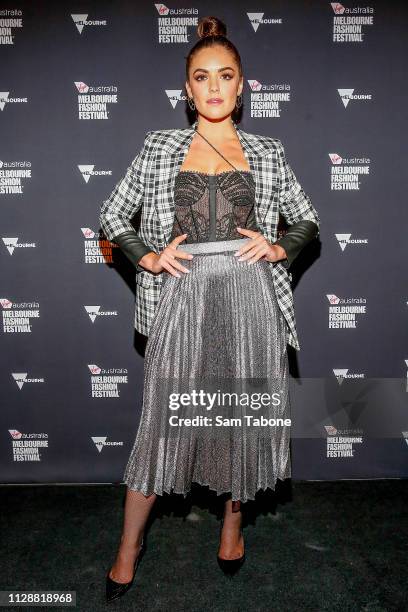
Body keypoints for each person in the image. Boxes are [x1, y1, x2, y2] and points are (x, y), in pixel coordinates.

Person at [100, 15, 320, 602]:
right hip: (184, 298)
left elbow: (306, 219)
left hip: (252, 299)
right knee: (162, 426)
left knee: (241, 421)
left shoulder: (267, 151)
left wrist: (280, 245)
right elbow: (113, 215)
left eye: (226, 76)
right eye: (202, 77)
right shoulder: (160, 146)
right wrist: (145, 256)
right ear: (187, 89)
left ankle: (231, 523)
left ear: (243, 84)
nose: (215, 87)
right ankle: (129, 547)